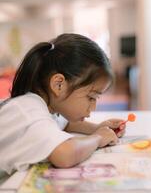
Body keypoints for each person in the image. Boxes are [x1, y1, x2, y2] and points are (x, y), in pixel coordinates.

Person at [0, 33, 126, 175]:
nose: (94, 107)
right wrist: (98, 138)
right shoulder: (28, 111)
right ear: (59, 85)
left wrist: (98, 128)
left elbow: (64, 123)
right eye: (91, 97)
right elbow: (64, 155)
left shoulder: (47, 105)